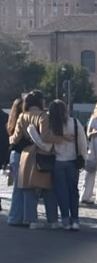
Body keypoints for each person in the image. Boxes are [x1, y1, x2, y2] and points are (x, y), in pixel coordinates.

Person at [28, 99, 87, 231]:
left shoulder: (53, 126)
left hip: (58, 161)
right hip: (73, 161)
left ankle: (65, 220)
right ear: (65, 109)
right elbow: (82, 142)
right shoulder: (75, 123)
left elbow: (45, 145)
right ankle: (75, 220)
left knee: (62, 192)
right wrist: (83, 157)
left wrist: (32, 131)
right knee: (73, 191)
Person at [9, 90, 59, 229]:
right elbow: (45, 136)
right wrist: (60, 139)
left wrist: (10, 140)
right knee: (48, 188)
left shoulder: (22, 116)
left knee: (28, 189)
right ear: (39, 101)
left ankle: (31, 220)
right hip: (41, 154)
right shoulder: (43, 115)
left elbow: (15, 138)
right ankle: (53, 220)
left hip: (26, 155)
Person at [6, 97, 26, 226]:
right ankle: (15, 217)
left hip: (14, 155)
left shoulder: (11, 121)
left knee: (17, 188)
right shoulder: (22, 120)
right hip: (20, 155)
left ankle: (15, 216)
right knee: (20, 188)